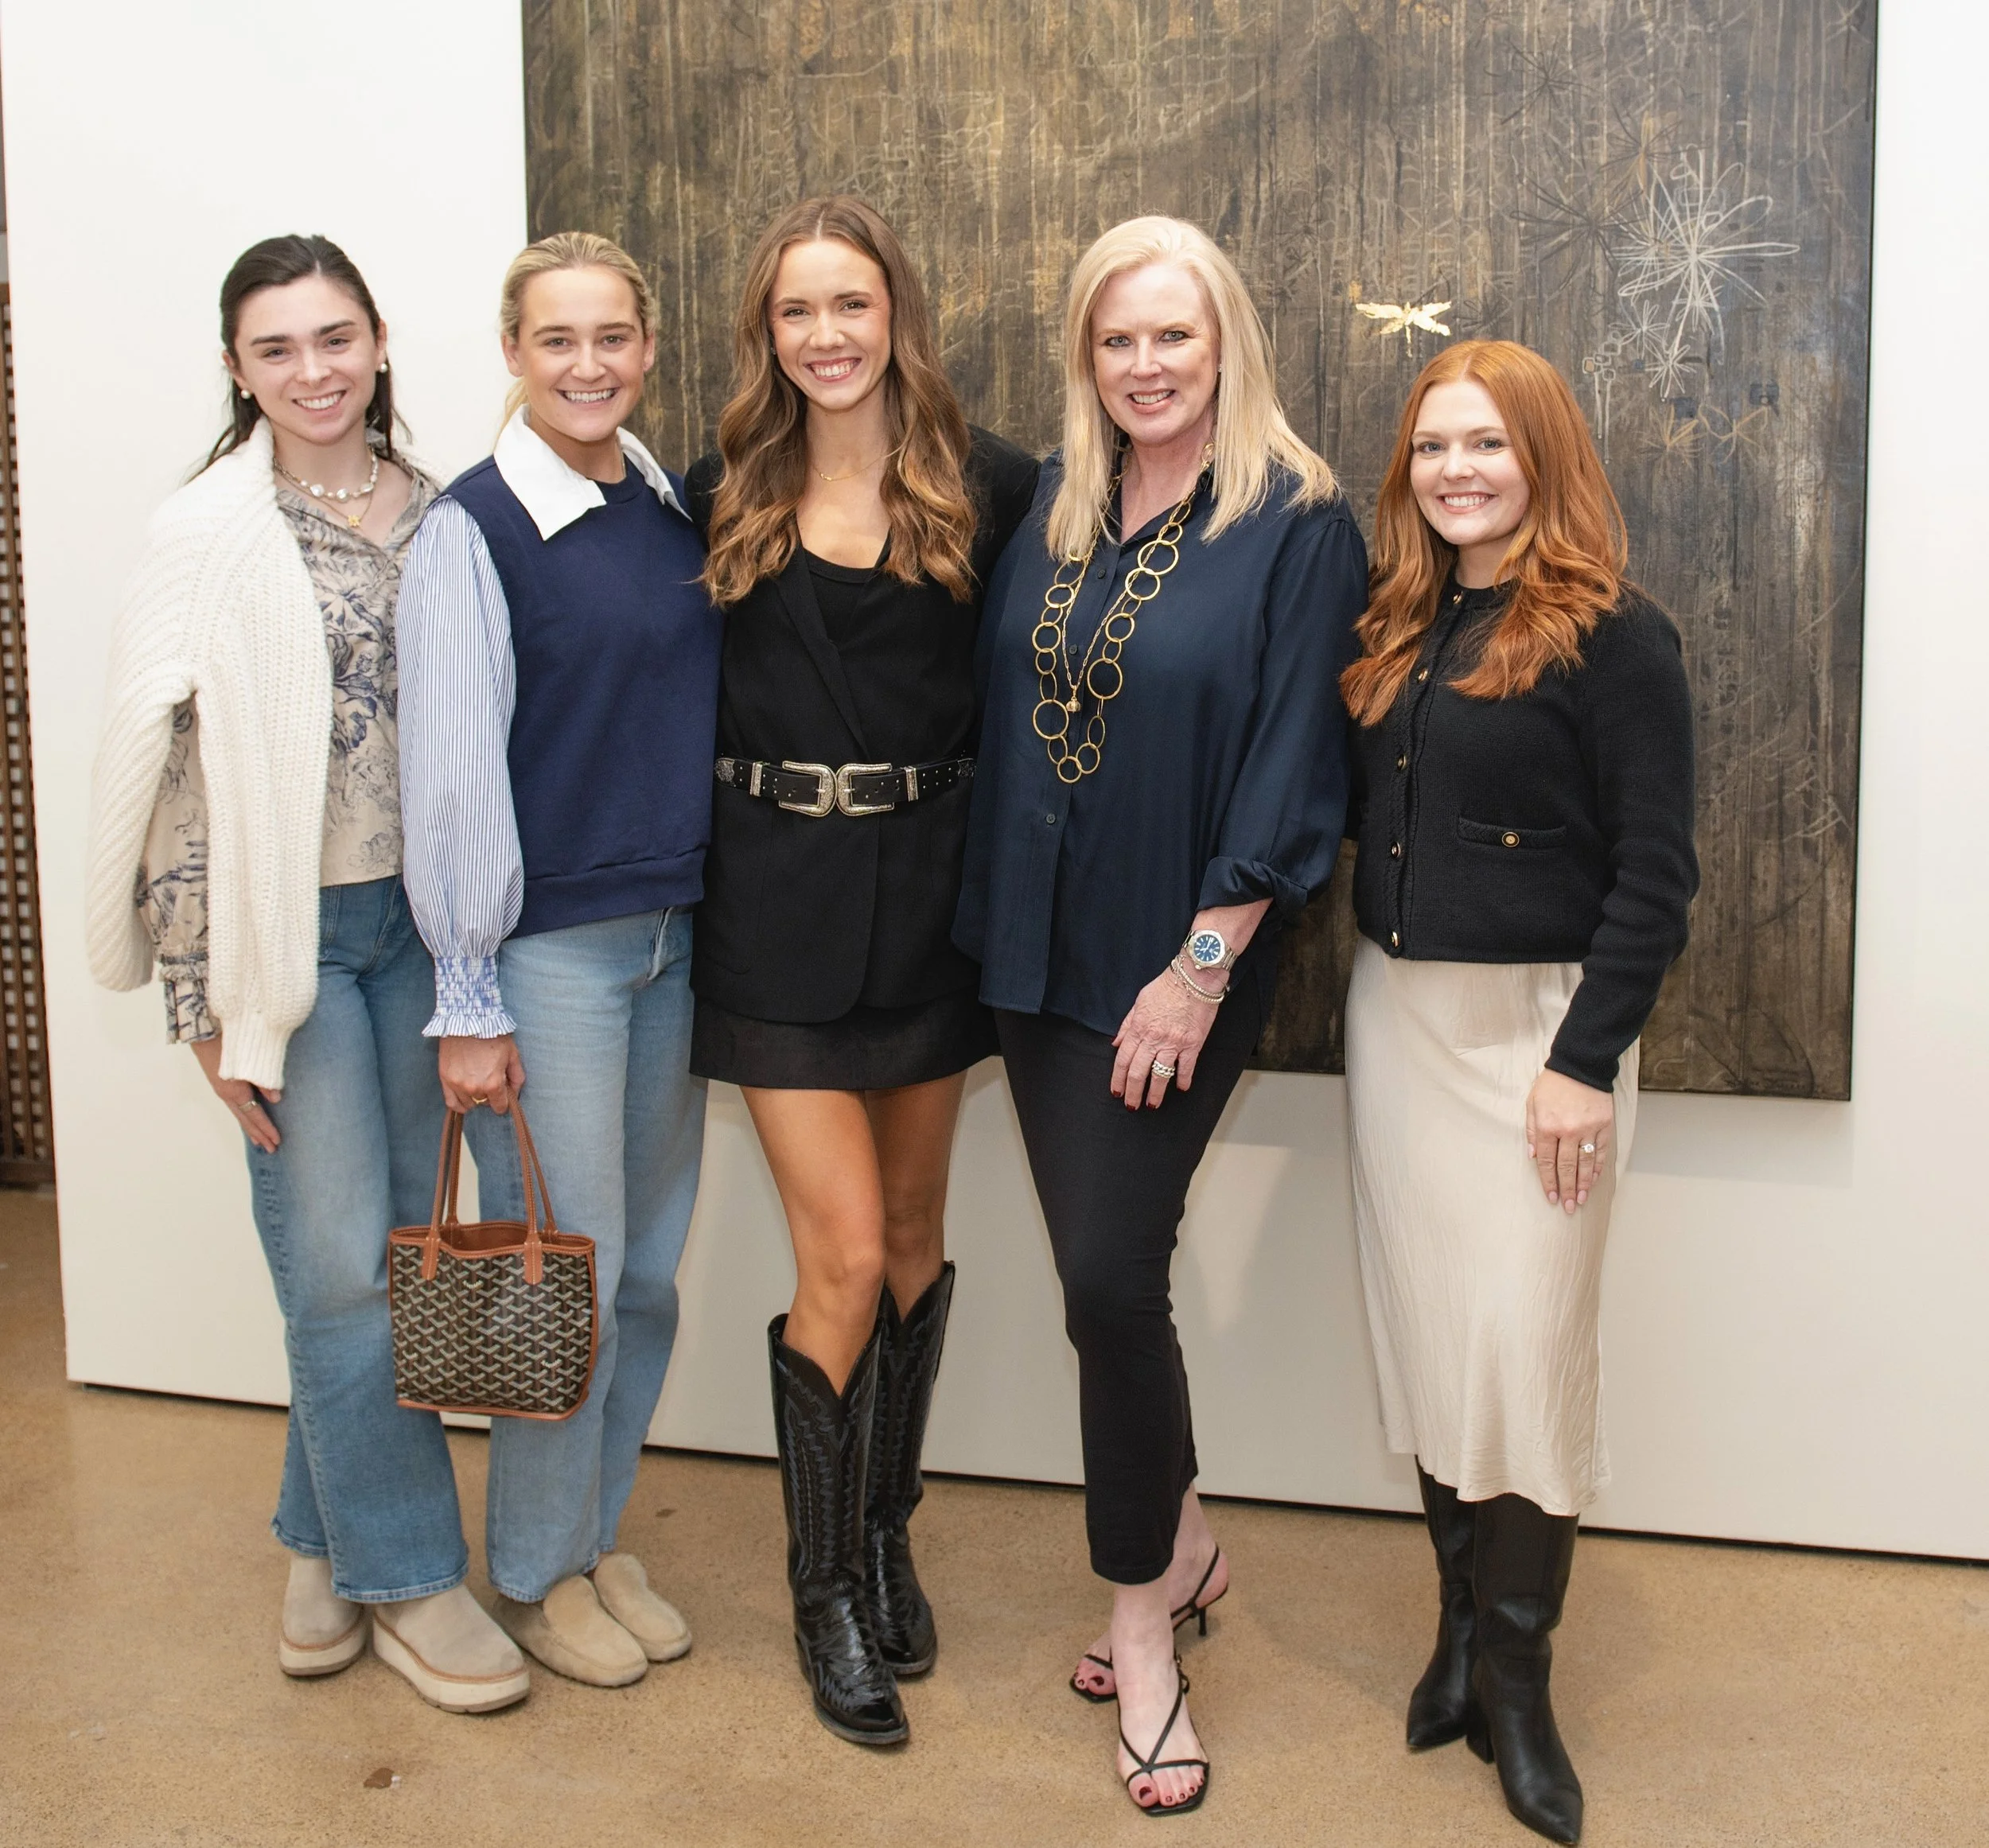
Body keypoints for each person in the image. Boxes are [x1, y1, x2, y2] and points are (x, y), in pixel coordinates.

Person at [84, 235, 527, 1713]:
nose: (314, 370)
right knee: (336, 1266)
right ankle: (409, 1573)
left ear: (383, 339)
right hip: (296, 944)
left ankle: (317, 1531)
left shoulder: (453, 509)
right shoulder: (209, 535)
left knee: (393, 1253)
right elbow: (171, 778)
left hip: (430, 931)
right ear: (235, 368)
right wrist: (207, 999)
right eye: (277, 350)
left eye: (336, 337)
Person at [957, 216, 1366, 1813]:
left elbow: (1293, 768)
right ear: (1087, 356)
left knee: (1108, 1284)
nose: (1142, 367)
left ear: (1226, 345)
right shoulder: (1055, 509)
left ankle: (1141, 1628)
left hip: (1169, 961)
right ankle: (1182, 1542)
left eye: (1170, 338)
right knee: (1094, 1281)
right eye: (1115, 340)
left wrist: (1198, 971)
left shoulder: (1296, 523)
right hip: (1029, 954)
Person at [685, 195, 1037, 1747]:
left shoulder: (995, 484)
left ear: (896, 310)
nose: (824, 335)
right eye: (794, 312)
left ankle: (884, 1527)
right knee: (833, 1259)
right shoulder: (712, 491)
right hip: (769, 910)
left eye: (849, 304)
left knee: (907, 1239)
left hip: (929, 912)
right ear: (765, 334)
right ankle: (822, 1586)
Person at [1341, 339, 1698, 1845]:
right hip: (1399, 1033)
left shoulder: (1617, 637)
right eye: (1433, 448)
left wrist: (1579, 1063)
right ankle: (1457, 1636)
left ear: (1543, 457)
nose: (1457, 473)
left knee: (1528, 1350)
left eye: (1485, 444)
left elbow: (1657, 879)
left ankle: (1523, 1683)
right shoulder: (1400, 621)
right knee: (1431, 1334)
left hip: (1541, 1041)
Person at [395, 232, 722, 1690]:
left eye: (613, 338)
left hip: (676, 938)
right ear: (514, 354)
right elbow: (455, 779)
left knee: (644, 1273)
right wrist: (469, 995)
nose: (588, 365)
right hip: (549, 963)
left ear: (648, 346)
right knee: (561, 1277)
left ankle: (590, 1536)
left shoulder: (663, 507)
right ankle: (532, 1571)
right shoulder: (473, 527)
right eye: (556, 340)